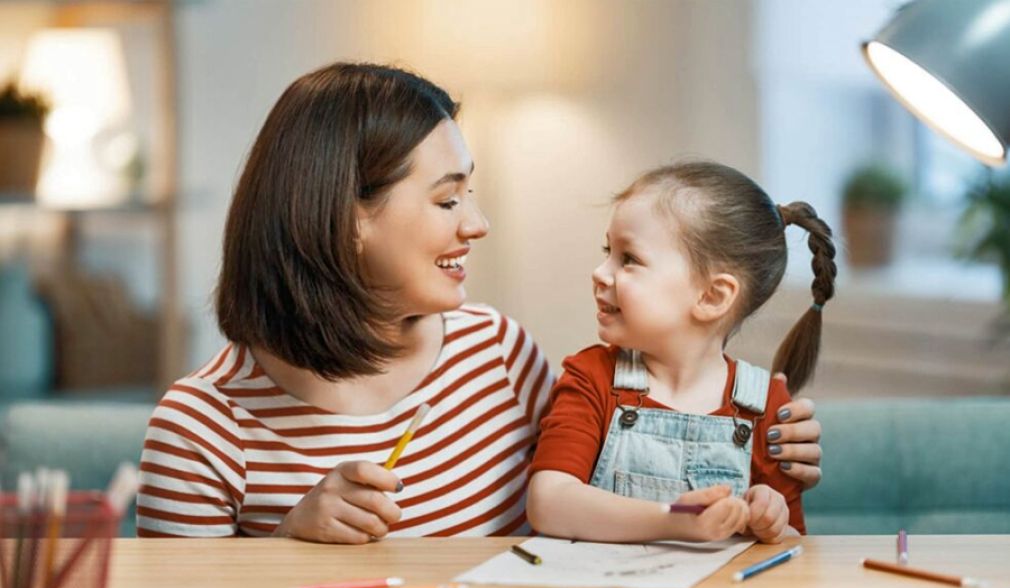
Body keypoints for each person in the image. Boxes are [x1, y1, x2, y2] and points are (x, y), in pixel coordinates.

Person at [137, 63, 823, 542]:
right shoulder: (201, 430)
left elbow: (621, 450)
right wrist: (288, 539)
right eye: (446, 199)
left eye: (470, 192)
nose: (477, 223)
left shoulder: (496, 351)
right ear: (344, 217)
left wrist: (777, 448)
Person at [527, 161, 836, 545]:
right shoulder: (591, 377)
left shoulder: (766, 405)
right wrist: (672, 520)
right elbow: (549, 501)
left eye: (629, 259)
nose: (599, 272)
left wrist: (772, 519)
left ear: (712, 296)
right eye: (609, 250)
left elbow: (793, 546)